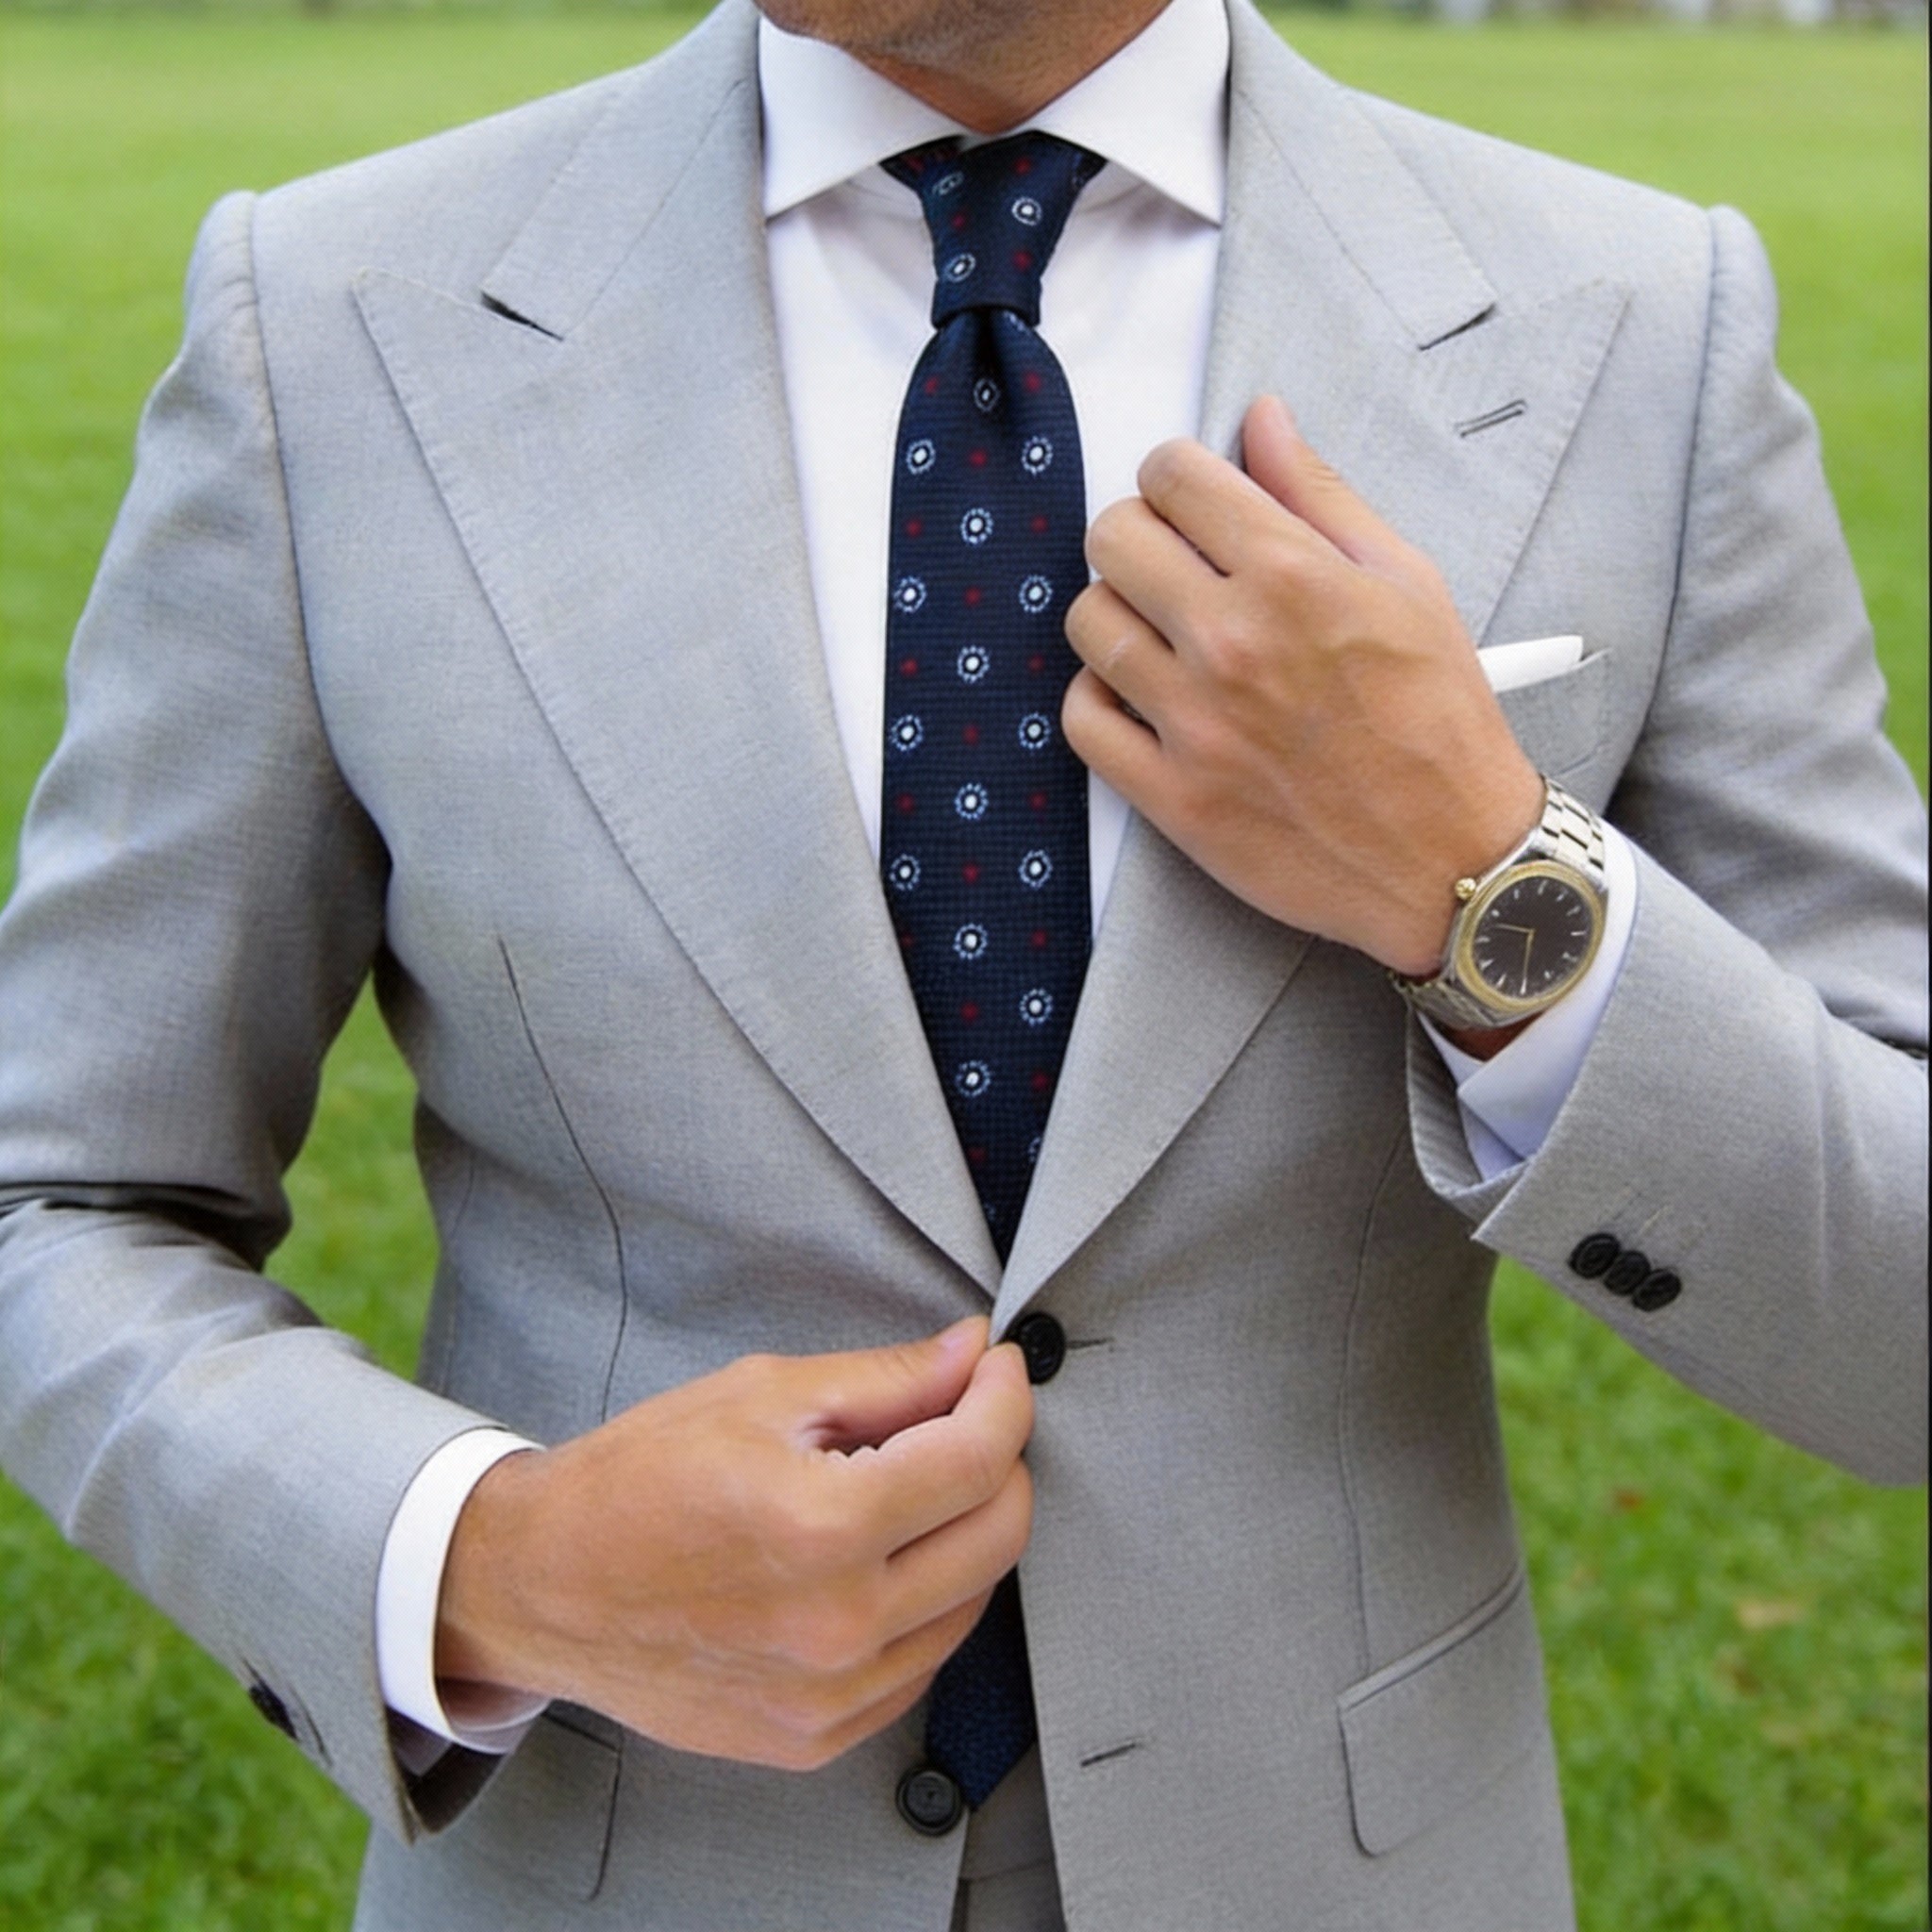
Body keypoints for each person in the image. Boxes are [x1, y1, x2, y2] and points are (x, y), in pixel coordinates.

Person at [0, 0, 1924, 1924]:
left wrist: (1487, 886)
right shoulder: (327, 320)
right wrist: (494, 1563)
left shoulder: (1634, 321)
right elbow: (59, 1198)